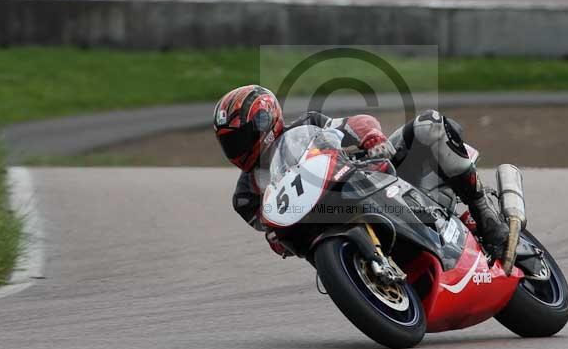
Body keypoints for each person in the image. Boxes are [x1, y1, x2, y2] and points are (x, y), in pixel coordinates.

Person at [213, 84, 509, 259]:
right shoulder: (245, 197)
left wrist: (371, 138)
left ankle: (483, 211)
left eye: (239, 137)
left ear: (265, 120)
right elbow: (276, 237)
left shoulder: (307, 123)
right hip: (322, 222)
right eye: (229, 142)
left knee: (428, 124)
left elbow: (350, 124)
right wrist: (279, 241)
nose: (236, 147)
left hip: (367, 179)